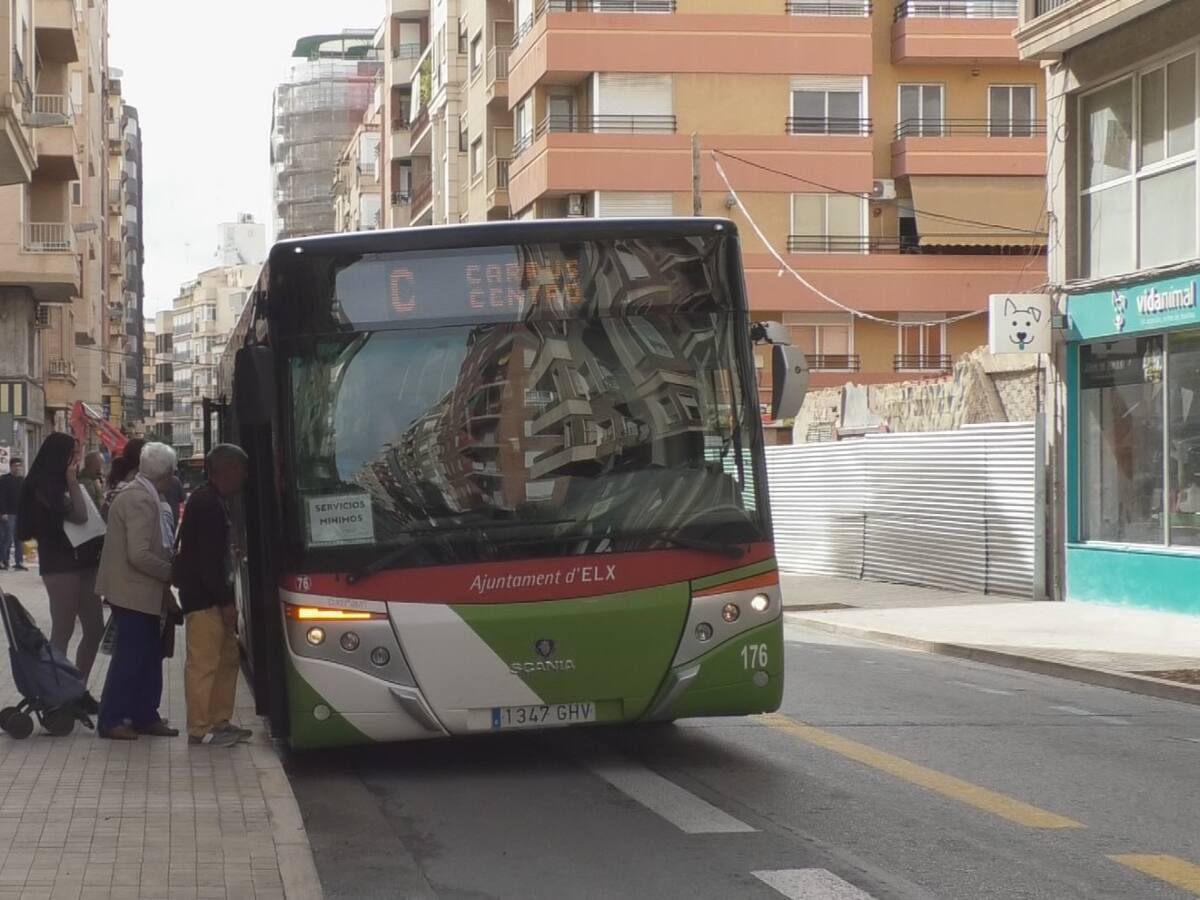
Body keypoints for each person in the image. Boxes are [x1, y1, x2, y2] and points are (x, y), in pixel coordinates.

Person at [95, 442, 180, 740]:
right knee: (130, 658)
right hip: (132, 592)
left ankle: (145, 715)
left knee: (147, 655)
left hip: (140, 592)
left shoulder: (143, 493)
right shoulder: (141, 499)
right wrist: (171, 572)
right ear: (167, 473)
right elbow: (139, 554)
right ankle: (112, 719)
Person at [16, 436, 104, 698]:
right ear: (61, 457)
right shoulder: (44, 488)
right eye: (73, 455)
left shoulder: (61, 484)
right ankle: (54, 689)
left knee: (95, 627)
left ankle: (77, 686)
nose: (76, 460)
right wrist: (73, 480)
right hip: (60, 564)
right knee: (63, 628)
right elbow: (80, 515)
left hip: (85, 562)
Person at [175, 444, 250, 747]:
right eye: (241, 471)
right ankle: (200, 727)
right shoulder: (207, 504)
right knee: (204, 663)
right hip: (204, 599)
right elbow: (208, 561)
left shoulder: (214, 500)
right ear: (228, 471)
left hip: (211, 595)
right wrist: (226, 602)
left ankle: (220, 720)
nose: (244, 477)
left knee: (227, 659)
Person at [0, 457, 25, 571]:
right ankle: (3, 562)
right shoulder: (4, 479)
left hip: (20, 514)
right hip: (8, 514)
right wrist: (3, 512)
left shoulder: (22, 480)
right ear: (11, 467)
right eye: (15, 466)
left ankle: (19, 562)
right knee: (7, 539)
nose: (18, 468)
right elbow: (1, 497)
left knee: (19, 539)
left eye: (19, 465)